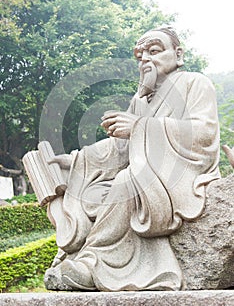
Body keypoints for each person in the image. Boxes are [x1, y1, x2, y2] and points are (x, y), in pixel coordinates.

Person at [44, 27, 220, 291]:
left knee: (128, 181)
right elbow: (119, 149)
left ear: (178, 54)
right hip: (145, 170)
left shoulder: (194, 83)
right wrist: (75, 160)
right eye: (140, 56)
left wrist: (140, 127)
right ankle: (84, 255)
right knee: (93, 191)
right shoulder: (140, 101)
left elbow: (203, 133)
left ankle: (91, 264)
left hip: (184, 173)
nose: (145, 60)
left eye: (154, 51)